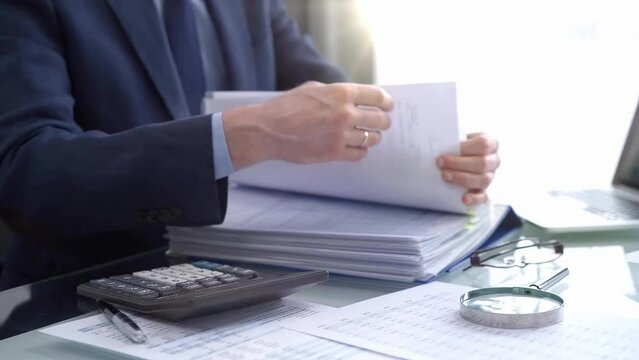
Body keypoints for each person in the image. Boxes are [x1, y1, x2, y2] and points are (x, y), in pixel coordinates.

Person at [0, 0, 499, 289]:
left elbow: (340, 105)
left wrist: (436, 154)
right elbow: (28, 175)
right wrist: (246, 133)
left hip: (261, 282)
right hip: (86, 293)